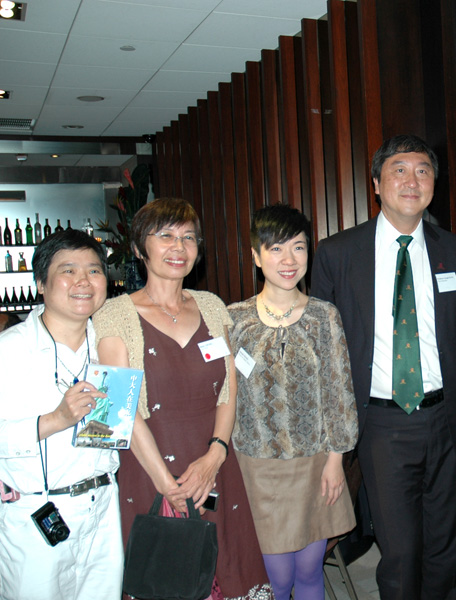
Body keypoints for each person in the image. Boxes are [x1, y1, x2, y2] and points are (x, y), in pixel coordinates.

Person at [311, 134, 456, 600]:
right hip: (384, 423)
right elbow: (324, 350)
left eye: (423, 171)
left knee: (448, 548)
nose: (413, 181)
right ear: (376, 183)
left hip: (450, 418)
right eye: (399, 171)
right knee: (401, 552)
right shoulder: (338, 253)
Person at [93, 197, 270, 600]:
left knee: (230, 571)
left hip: (214, 466)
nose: (179, 247)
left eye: (188, 237)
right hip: (150, 472)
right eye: (166, 236)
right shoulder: (113, 314)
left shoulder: (211, 306)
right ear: (140, 248)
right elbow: (116, 411)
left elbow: (229, 390)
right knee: (168, 578)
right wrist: (165, 484)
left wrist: (216, 453)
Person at [227, 205, 358, 600]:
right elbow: (223, 394)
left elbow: (340, 390)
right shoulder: (233, 319)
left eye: (298, 248)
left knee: (308, 572)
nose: (288, 260)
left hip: (315, 463)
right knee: (276, 578)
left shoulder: (324, 316)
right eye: (276, 249)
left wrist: (336, 461)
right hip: (256, 467)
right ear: (255, 255)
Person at [0, 230, 122, 600]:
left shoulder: (113, 346)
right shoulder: (10, 350)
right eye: (68, 270)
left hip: (102, 509)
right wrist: (54, 420)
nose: (84, 281)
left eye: (94, 271)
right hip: (36, 517)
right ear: (41, 283)